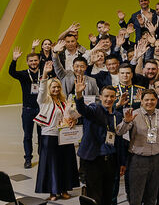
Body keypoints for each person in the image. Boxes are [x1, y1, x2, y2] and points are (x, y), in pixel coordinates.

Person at [117, 89, 159, 205]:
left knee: (152, 196)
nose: (149, 102)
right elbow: (119, 132)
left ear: (156, 101)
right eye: (146, 100)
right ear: (141, 101)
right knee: (136, 197)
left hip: (157, 159)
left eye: (152, 99)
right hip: (138, 160)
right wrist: (126, 122)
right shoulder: (133, 114)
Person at [74, 77, 126, 205]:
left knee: (109, 193)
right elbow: (82, 109)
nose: (109, 99)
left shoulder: (117, 115)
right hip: (94, 159)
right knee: (94, 194)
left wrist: (122, 162)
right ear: (101, 97)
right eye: (106, 96)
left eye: (112, 96)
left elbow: (119, 140)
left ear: (115, 98)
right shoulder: (94, 109)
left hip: (111, 160)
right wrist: (79, 94)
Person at [33, 62, 78, 201]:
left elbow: (72, 116)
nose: (56, 89)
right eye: (53, 87)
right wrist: (45, 74)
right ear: (49, 88)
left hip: (64, 136)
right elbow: (41, 90)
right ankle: (53, 192)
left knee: (65, 163)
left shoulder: (64, 102)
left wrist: (74, 121)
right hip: (50, 135)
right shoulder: (44, 100)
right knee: (51, 164)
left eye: (58, 87)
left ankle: (64, 190)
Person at [9, 47, 42, 168]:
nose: (33, 63)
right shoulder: (23, 74)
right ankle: (28, 159)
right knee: (28, 135)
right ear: (27, 62)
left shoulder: (44, 73)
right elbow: (12, 72)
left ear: (39, 61)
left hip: (42, 109)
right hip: (28, 109)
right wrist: (14, 60)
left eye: (35, 60)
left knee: (42, 135)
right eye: (31, 61)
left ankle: (42, 156)